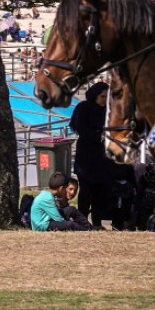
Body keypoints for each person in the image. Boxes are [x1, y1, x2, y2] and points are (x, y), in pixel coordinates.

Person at [68, 81, 115, 227]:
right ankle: (82, 220)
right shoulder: (84, 108)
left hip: (103, 158)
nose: (104, 100)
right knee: (86, 191)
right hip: (87, 158)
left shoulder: (109, 110)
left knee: (101, 193)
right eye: (102, 96)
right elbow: (80, 128)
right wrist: (99, 135)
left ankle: (97, 221)